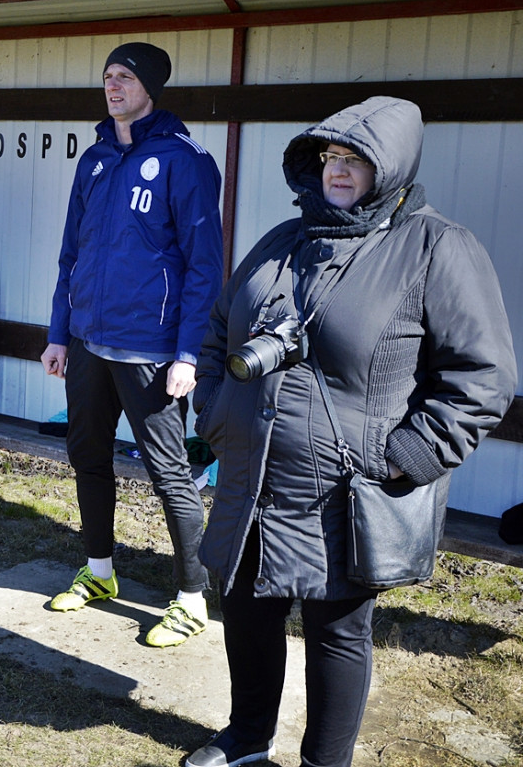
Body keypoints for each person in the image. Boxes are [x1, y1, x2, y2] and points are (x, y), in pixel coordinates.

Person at [188, 96, 516, 767]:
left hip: (347, 485)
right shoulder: (285, 240)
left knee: (337, 628)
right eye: (330, 156)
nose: (337, 170)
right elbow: (220, 328)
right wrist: (218, 416)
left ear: (389, 166)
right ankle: (248, 737)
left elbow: (482, 377)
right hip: (253, 475)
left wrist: (409, 454)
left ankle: (323, 761)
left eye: (355, 158)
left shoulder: (437, 247)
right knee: (247, 611)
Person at [39, 42, 224, 648]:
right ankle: (99, 573)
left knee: (169, 473)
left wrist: (189, 353)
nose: (113, 86)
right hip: (89, 343)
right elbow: (72, 255)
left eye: (126, 77)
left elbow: (204, 267)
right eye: (108, 76)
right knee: (87, 457)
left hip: (152, 351)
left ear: (152, 87)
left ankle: (192, 599)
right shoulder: (93, 159)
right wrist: (59, 334)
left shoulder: (183, 160)